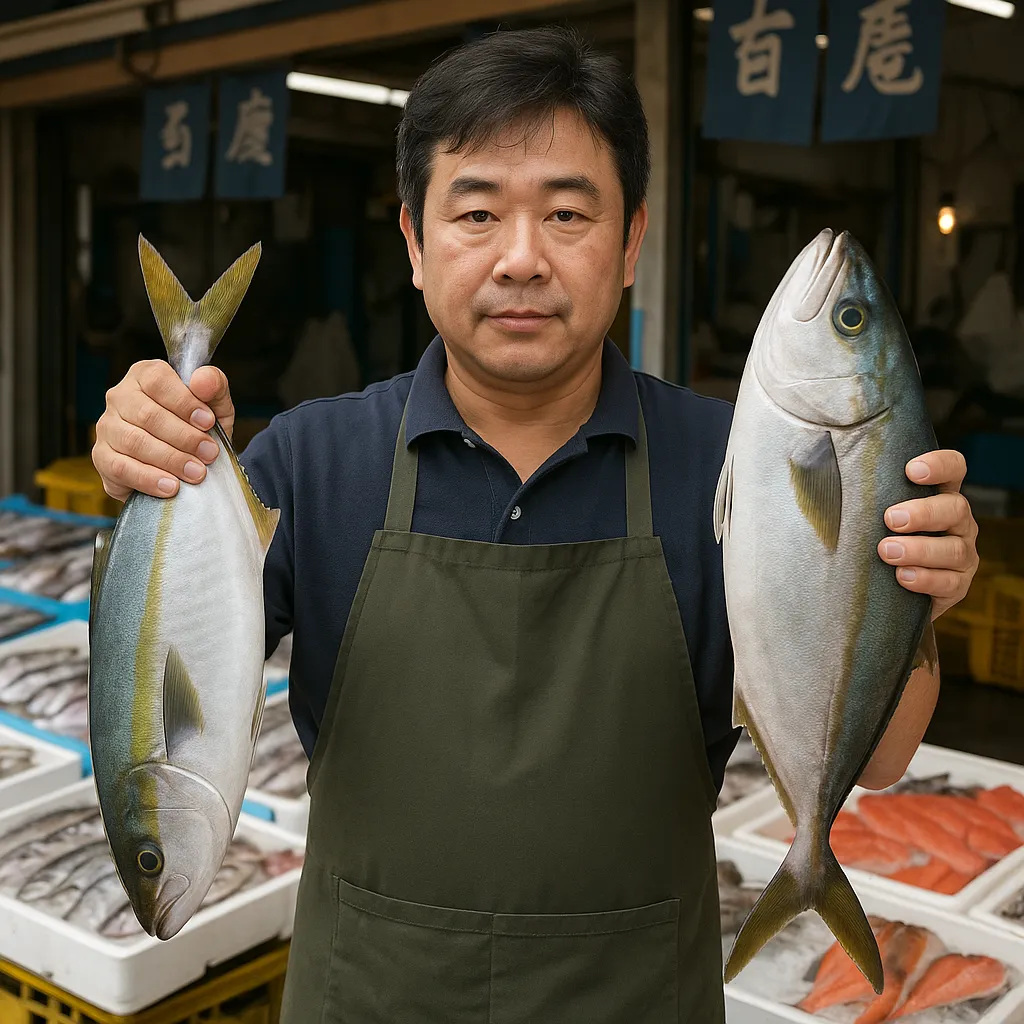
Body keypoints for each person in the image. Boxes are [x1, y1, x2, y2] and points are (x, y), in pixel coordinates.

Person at [91, 25, 979, 1023]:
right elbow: (155, 666)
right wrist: (143, 472)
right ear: (415, 246)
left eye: (566, 212)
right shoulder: (310, 461)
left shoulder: (734, 467)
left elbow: (889, 755)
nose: (521, 258)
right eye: (476, 213)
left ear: (632, 240)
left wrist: (913, 588)